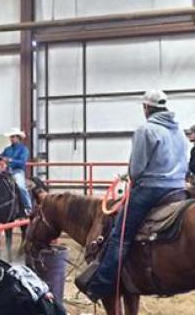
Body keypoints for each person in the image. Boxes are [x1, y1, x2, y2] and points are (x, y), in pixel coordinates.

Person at [76, 90, 187, 301]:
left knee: (120, 235)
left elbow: (136, 170)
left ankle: (102, 283)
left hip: (152, 188)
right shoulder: (179, 131)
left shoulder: (146, 130)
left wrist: (130, 176)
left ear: (146, 108)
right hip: (178, 189)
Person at [0, 128, 32, 213]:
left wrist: (10, 160)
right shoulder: (7, 149)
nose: (11, 139)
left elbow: (22, 162)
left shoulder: (23, 149)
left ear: (18, 138)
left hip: (17, 171)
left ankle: (28, 208)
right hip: (7, 171)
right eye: (11, 137)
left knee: (21, 187)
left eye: (13, 137)